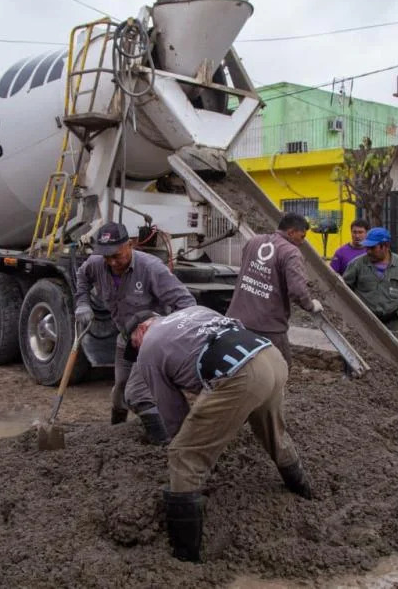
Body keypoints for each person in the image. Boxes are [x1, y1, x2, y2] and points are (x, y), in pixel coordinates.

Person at [128, 305, 314, 563]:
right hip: (269, 356)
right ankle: (306, 493)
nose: (136, 350)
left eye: (133, 344)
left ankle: (184, 557)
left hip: (238, 373)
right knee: (273, 432)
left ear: (142, 329)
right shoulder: (195, 310)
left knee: (184, 454)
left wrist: (191, 442)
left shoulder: (148, 347)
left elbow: (172, 412)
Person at [74, 222, 195, 441]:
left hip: (151, 342)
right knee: (120, 389)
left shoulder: (151, 268)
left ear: (129, 245)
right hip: (125, 338)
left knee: (138, 393)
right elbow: (82, 277)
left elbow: (186, 304)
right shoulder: (96, 264)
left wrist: (163, 331)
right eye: (106, 257)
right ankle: (116, 434)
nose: (111, 262)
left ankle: (164, 442)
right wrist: (82, 303)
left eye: (116, 256)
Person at [225, 213, 323, 364]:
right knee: (281, 369)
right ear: (291, 232)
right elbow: (297, 291)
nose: (302, 242)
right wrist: (310, 305)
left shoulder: (254, 241)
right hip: (268, 327)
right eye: (302, 236)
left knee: (239, 366)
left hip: (237, 321)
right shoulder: (291, 252)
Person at [342, 226, 398, 337]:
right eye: (367, 248)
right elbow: (343, 289)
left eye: (373, 248)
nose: (368, 251)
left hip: (390, 323)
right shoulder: (357, 265)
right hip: (362, 321)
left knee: (389, 353)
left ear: (386, 246)